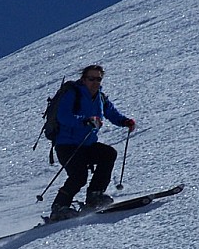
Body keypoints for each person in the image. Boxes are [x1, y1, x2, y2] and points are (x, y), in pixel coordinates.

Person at [50, 64, 136, 220]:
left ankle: (95, 196)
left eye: (98, 79)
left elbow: (111, 112)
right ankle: (59, 207)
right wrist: (85, 121)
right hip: (67, 145)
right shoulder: (72, 93)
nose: (95, 82)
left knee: (108, 154)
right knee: (79, 176)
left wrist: (125, 121)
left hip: (86, 144)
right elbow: (64, 116)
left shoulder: (100, 97)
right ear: (83, 79)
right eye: (91, 78)